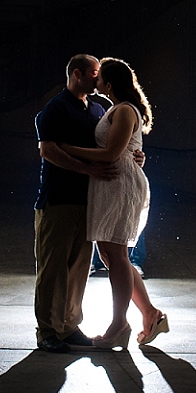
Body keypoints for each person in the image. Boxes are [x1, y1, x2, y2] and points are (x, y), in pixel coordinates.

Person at [59, 57, 169, 350]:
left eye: (99, 78)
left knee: (117, 255)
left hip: (120, 185)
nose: (94, 81)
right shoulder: (115, 109)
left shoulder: (123, 110)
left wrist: (67, 149)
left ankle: (119, 323)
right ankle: (150, 314)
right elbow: (121, 150)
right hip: (111, 184)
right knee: (110, 256)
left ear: (109, 84)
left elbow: (111, 154)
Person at [33, 54, 119, 354]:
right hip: (57, 199)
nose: (99, 79)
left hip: (89, 201)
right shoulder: (56, 108)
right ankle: (47, 330)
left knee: (80, 268)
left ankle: (69, 326)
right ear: (77, 74)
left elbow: (111, 146)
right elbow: (48, 151)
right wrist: (87, 170)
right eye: (94, 73)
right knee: (52, 269)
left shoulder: (99, 108)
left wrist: (134, 157)